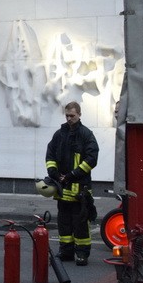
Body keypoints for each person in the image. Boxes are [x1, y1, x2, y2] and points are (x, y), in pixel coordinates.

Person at [45, 101, 99, 265]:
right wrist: (53, 173)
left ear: (79, 114)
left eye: (72, 116)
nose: (69, 119)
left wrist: (72, 175)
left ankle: (82, 254)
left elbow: (91, 159)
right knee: (64, 223)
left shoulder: (86, 134)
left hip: (79, 189)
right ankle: (66, 251)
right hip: (62, 189)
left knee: (81, 223)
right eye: (67, 115)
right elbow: (50, 155)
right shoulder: (59, 134)